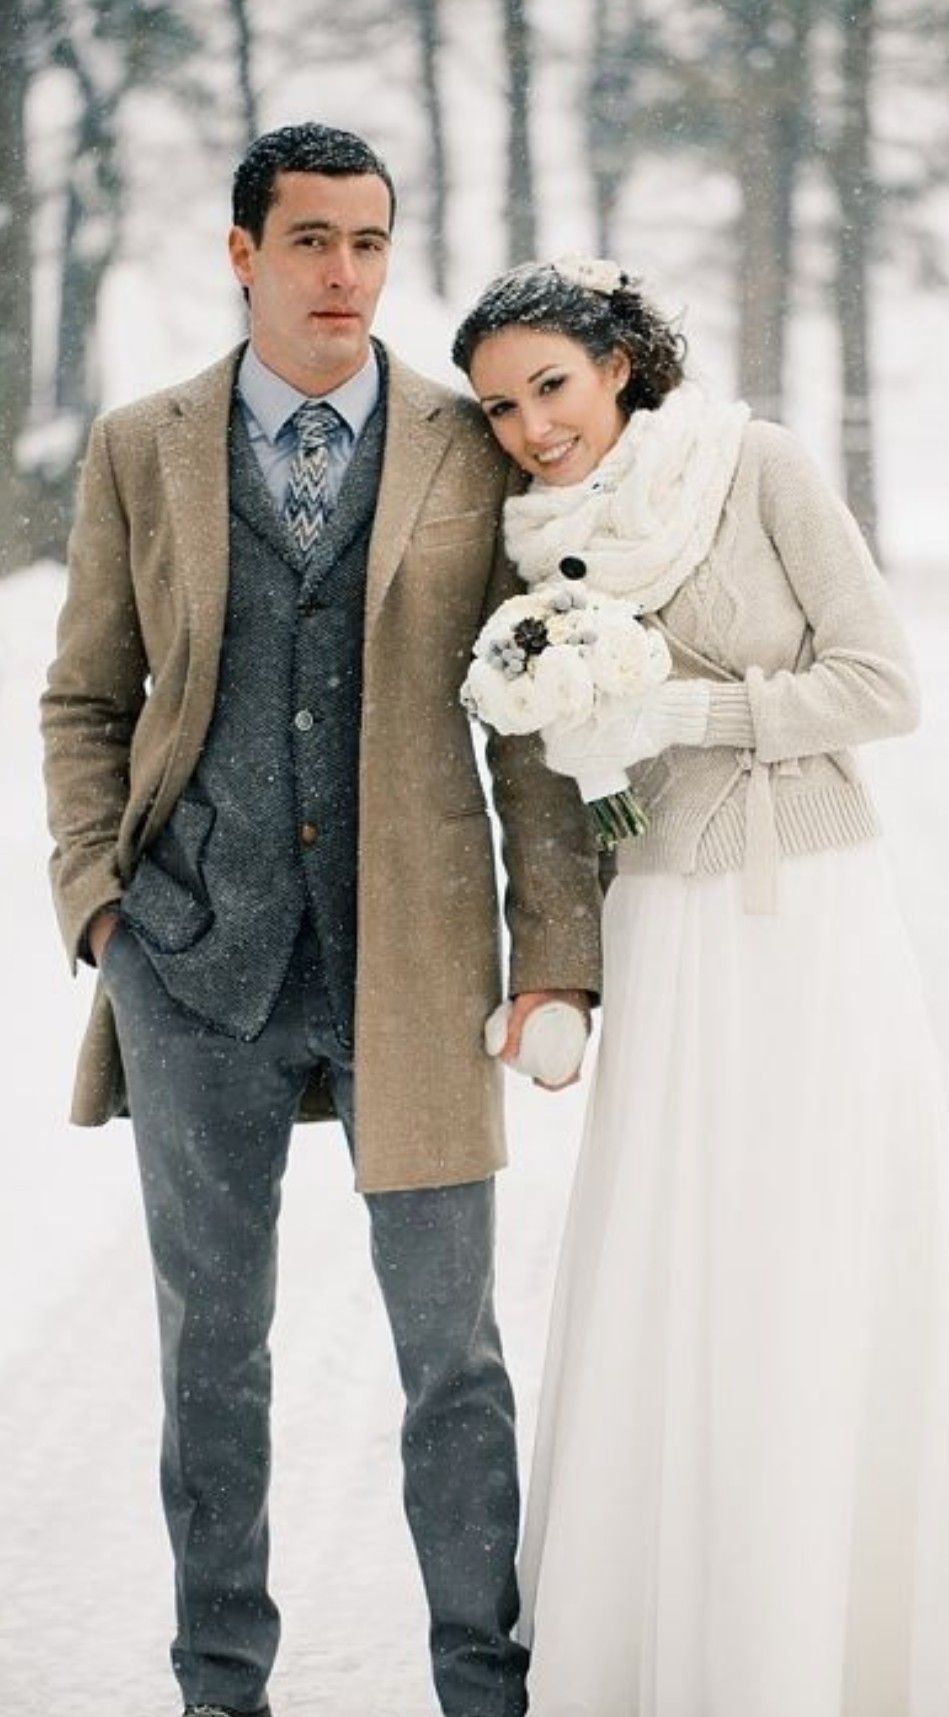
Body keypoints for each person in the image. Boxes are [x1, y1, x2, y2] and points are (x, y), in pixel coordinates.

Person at [451, 259, 949, 1717]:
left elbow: (883, 684)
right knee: (678, 1248)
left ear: (618, 363)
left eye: (551, 386)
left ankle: (843, 1623)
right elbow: (552, 783)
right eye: (499, 408)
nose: (533, 428)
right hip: (659, 919)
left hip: (802, 904)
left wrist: (693, 709)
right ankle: (684, 1624)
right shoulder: (535, 547)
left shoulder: (755, 467)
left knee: (815, 1238)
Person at [40, 127, 601, 1717]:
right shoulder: (142, 446)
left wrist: (555, 952)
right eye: (310, 241)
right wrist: (101, 909)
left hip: (415, 966)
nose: (344, 273)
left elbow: (530, 723)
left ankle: (482, 1682)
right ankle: (220, 1684)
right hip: (192, 962)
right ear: (243, 254)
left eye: (368, 240)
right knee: (211, 1356)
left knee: (453, 1358)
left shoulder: (467, 443)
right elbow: (86, 698)